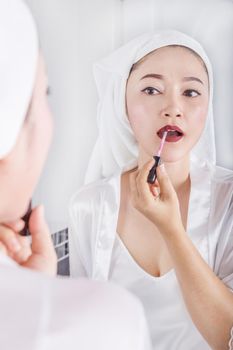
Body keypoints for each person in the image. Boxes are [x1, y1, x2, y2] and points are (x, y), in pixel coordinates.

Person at [0, 1, 152, 349]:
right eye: (44, 93)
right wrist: (40, 299)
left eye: (191, 91)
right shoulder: (102, 324)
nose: (172, 107)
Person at [69, 30, 233, 349]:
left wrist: (171, 229)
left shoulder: (229, 201)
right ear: (122, 103)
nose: (172, 108)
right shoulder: (88, 207)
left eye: (191, 92)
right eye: (151, 89)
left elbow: (228, 336)